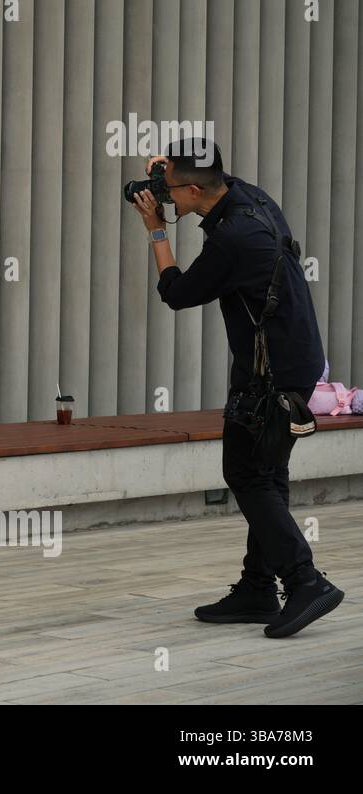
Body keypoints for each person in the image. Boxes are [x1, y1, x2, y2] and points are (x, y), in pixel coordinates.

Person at [132, 138, 343, 638]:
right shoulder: (253, 199)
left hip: (270, 374)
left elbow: (178, 293)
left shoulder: (232, 239)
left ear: (188, 189)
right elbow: (214, 176)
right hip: (293, 359)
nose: (165, 195)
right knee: (267, 473)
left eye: (169, 189)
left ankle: (305, 581)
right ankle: (257, 588)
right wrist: (170, 168)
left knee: (247, 474)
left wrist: (157, 230)